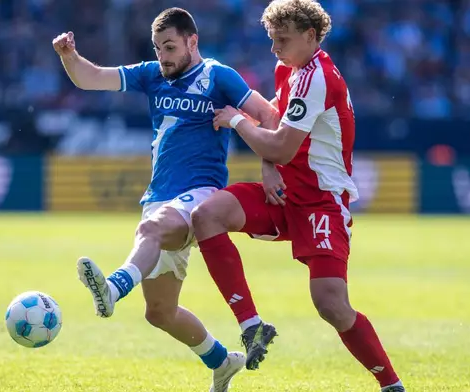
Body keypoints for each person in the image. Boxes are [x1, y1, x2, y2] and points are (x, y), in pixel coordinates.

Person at [52, 7, 278, 392]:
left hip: (202, 194)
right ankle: (222, 362)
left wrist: (269, 166)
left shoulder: (218, 76)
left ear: (193, 41)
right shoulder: (153, 74)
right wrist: (68, 57)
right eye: (158, 48)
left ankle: (112, 288)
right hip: (159, 197)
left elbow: (269, 115)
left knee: (151, 229)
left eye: (170, 47)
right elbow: (91, 78)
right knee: (160, 312)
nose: (163, 56)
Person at [191, 1, 406, 391]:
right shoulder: (289, 69)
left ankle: (391, 384)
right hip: (284, 193)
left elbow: (281, 145)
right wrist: (268, 167)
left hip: (322, 201)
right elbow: (276, 128)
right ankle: (252, 326)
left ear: (310, 36)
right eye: (272, 39)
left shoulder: (319, 77)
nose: (274, 48)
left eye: (282, 40)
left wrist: (237, 119)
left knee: (331, 304)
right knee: (207, 216)